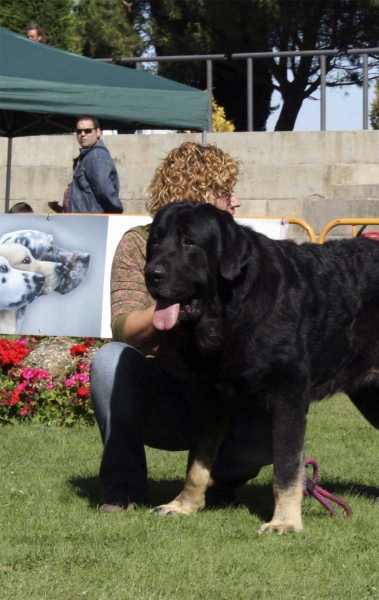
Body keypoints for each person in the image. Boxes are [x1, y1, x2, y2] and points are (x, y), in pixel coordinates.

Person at [90, 141, 272, 513]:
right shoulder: (139, 243)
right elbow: (125, 328)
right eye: (224, 193)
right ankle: (123, 490)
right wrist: (171, 306)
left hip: (225, 396)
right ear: (197, 196)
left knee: (273, 420)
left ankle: (218, 484)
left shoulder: (236, 249)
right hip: (167, 400)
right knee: (110, 360)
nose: (235, 202)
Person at [64, 115, 123, 214]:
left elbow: (104, 191)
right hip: (83, 220)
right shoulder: (87, 156)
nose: (82, 134)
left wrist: (115, 213)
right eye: (79, 131)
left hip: (91, 221)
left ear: (98, 132)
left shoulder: (96, 157)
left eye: (87, 130)